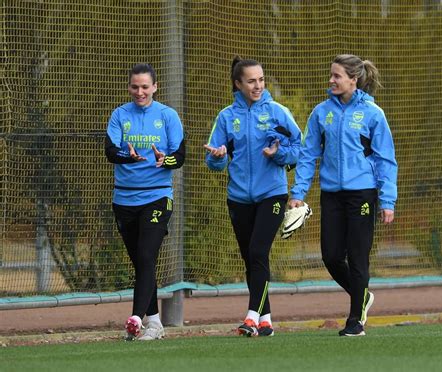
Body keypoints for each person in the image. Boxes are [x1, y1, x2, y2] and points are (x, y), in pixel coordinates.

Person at [289, 54, 397, 336]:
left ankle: (355, 321)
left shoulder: (373, 114)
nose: (331, 80)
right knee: (332, 256)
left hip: (362, 194)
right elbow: (307, 154)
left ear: (353, 79)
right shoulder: (321, 113)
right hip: (331, 194)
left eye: (337, 76)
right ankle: (362, 296)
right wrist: (297, 193)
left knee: (358, 256)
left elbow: (386, 159)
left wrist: (387, 200)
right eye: (331, 75)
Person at [204, 56, 302, 337]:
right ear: (238, 84)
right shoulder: (226, 117)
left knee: (258, 252)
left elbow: (300, 149)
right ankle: (266, 319)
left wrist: (279, 154)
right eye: (251, 81)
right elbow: (213, 161)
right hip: (238, 198)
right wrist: (218, 157)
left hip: (272, 194)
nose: (258, 85)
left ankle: (250, 317)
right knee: (251, 259)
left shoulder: (277, 112)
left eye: (261, 80)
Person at [105, 63, 185, 341]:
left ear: (155, 87)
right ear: (129, 87)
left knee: (147, 256)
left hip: (157, 197)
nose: (140, 92)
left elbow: (180, 155)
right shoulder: (119, 115)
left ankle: (136, 318)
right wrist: (129, 156)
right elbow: (111, 152)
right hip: (124, 199)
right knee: (141, 263)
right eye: (135, 87)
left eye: (145, 87)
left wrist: (166, 160)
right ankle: (154, 323)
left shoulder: (167, 116)